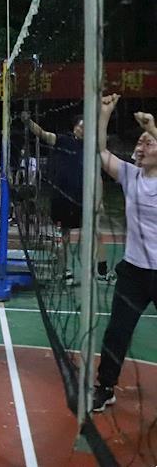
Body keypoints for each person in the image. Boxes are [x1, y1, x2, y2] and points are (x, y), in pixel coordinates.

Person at [93, 96, 157, 412]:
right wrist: (104, 114)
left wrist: (153, 128)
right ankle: (105, 387)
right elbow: (100, 152)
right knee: (117, 332)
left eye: (149, 143)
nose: (141, 147)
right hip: (133, 271)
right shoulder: (131, 176)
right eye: (140, 142)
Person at [21, 110, 99, 283]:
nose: (83, 129)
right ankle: (65, 270)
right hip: (61, 196)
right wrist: (28, 122)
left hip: (82, 196)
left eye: (86, 127)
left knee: (89, 232)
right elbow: (43, 134)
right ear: (75, 128)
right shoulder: (63, 140)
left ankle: (93, 271)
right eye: (81, 126)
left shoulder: (91, 147)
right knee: (63, 235)